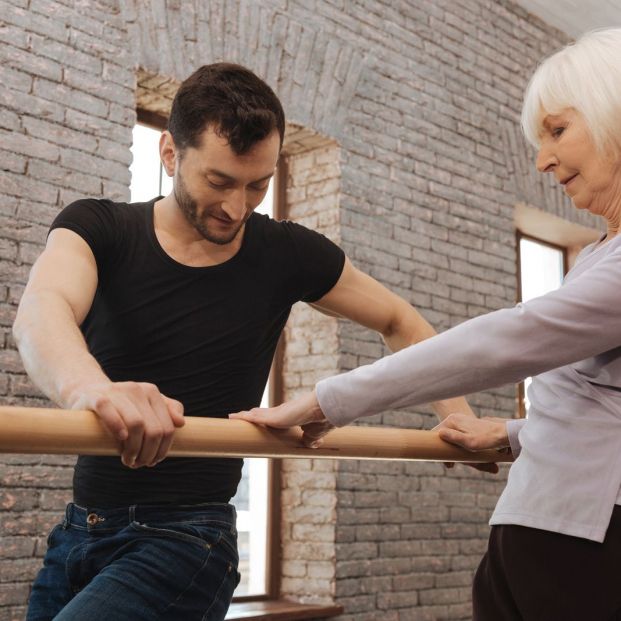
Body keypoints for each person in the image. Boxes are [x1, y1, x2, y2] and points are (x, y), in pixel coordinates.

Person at [13, 63, 482, 621]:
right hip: (78, 531)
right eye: (219, 182)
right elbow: (43, 310)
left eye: (257, 185)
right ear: (170, 153)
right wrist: (91, 389)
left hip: (188, 539)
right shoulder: (99, 227)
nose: (238, 207)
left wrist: (463, 419)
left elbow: (399, 319)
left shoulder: (287, 253)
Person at [230, 29, 621, 620]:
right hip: (540, 527)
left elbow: (510, 339)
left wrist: (324, 399)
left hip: (585, 539)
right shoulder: (599, 253)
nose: (543, 160)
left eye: (559, 131)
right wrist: (515, 436)